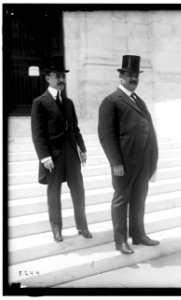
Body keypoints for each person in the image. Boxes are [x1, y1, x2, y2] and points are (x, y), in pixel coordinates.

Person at [98, 55, 159, 254]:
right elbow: (106, 136)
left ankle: (139, 235)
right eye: (129, 74)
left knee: (140, 199)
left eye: (136, 75)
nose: (133, 78)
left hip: (142, 163)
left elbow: (149, 130)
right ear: (121, 76)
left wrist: (153, 161)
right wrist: (115, 162)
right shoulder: (111, 101)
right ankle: (120, 240)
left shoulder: (139, 101)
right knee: (121, 200)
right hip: (124, 163)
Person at [31, 56, 92, 242]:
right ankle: (56, 230)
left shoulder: (68, 103)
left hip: (71, 154)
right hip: (53, 156)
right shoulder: (39, 103)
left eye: (62, 76)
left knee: (79, 191)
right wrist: (44, 157)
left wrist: (82, 148)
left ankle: (82, 226)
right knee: (54, 193)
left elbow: (74, 128)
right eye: (57, 76)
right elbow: (38, 134)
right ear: (47, 78)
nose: (61, 79)